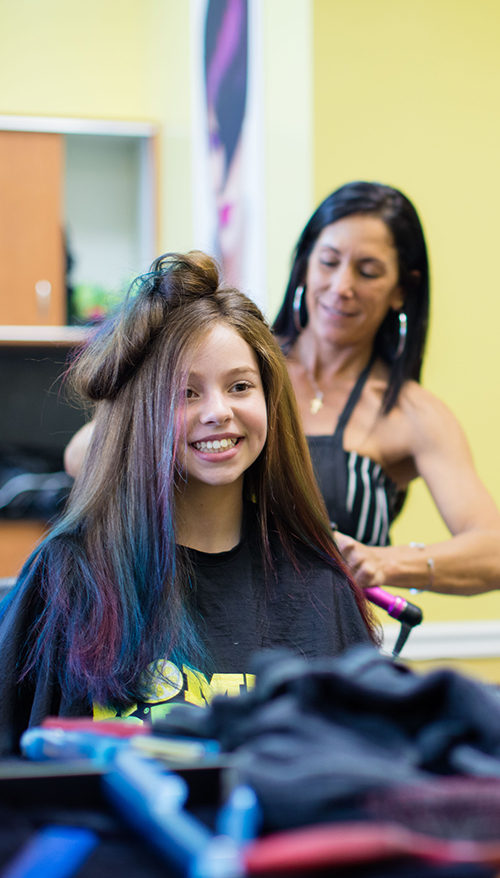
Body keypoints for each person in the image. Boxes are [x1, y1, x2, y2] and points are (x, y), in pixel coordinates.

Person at [0, 251, 375, 755]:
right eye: (186, 393)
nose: (219, 412)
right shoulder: (69, 574)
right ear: (144, 414)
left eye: (240, 386)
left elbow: (365, 776)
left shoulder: (322, 587)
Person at [273, 181, 500, 597]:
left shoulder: (411, 413)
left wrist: (385, 561)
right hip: (210, 650)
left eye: (368, 271)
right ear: (304, 263)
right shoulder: (243, 373)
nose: (342, 285)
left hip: (334, 655)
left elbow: (494, 552)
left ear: (401, 289)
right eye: (328, 261)